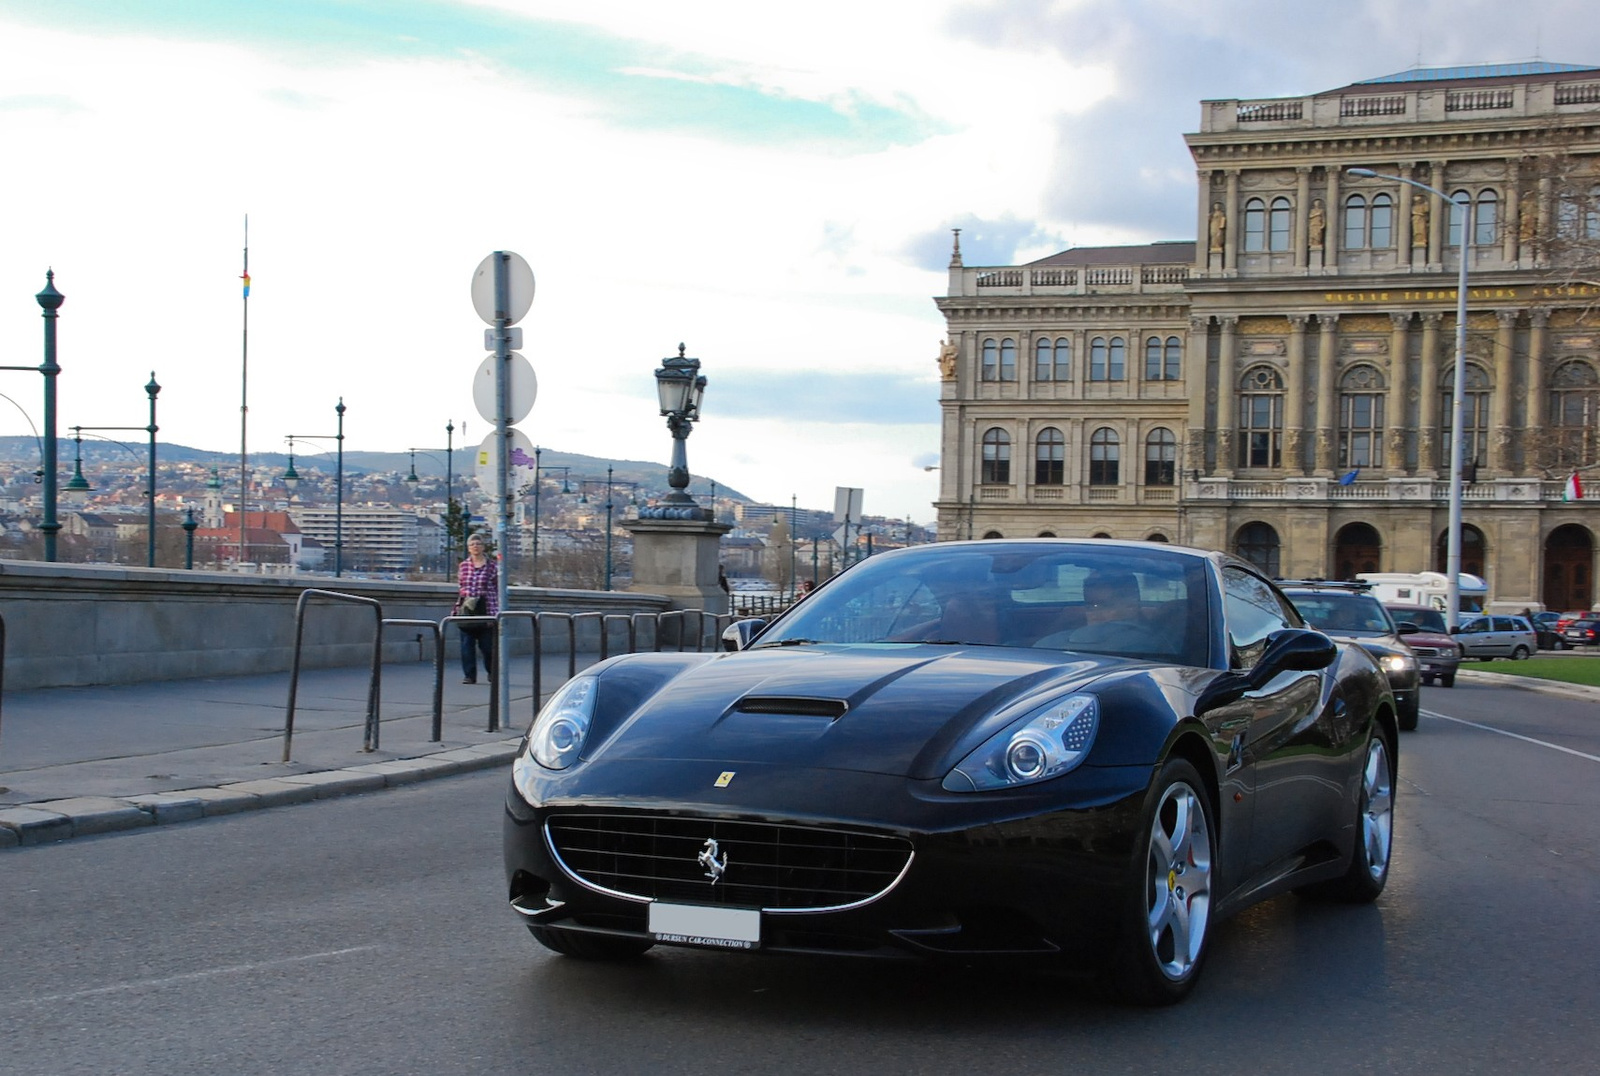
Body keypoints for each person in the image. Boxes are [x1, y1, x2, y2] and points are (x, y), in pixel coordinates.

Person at [1038, 570, 1146, 651]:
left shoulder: (1144, 644)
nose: (1095, 615)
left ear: (1131, 606)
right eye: (1090, 606)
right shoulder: (1053, 641)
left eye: (1105, 606)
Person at [456, 534, 498, 684]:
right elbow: (461, 588)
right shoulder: (464, 566)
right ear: (468, 548)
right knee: (466, 645)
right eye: (472, 544)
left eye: (478, 544)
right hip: (467, 609)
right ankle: (469, 675)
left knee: (487, 647)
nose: (475, 546)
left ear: (483, 547)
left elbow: (496, 588)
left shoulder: (492, 566)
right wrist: (457, 609)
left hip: (486, 609)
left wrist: (495, 613)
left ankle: (492, 672)